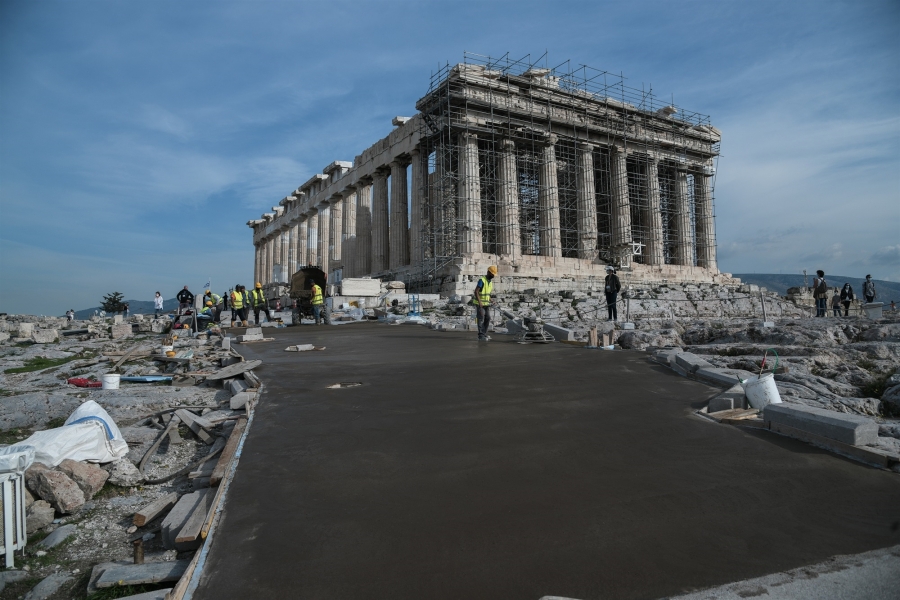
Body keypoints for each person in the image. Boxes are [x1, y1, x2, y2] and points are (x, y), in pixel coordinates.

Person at [474, 265, 497, 341]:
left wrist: (491, 300)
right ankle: (480, 336)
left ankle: (484, 333)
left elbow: (487, 294)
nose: (493, 276)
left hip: (486, 304)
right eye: (492, 274)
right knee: (481, 318)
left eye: (494, 275)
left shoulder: (490, 282)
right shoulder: (482, 280)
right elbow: (476, 291)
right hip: (480, 303)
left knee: (488, 318)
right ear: (488, 272)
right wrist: (480, 302)